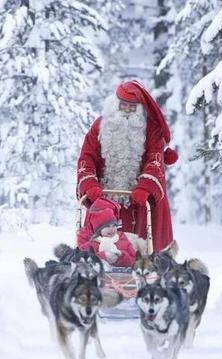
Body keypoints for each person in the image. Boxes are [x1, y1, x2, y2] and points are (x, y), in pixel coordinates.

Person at [76, 80, 178, 253]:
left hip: (140, 202)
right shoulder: (100, 126)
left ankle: (147, 270)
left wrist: (145, 187)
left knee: (144, 249)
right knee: (99, 247)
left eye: (133, 107)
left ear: (140, 108)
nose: (127, 110)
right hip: (104, 200)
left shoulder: (152, 130)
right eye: (123, 105)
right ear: (115, 104)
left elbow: (155, 161)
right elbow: (86, 158)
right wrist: (90, 185)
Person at [77, 197, 137, 267]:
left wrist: (120, 256)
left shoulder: (121, 238)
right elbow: (83, 259)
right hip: (99, 273)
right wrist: (104, 256)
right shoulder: (92, 244)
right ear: (99, 229)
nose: (112, 229)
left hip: (124, 273)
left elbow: (133, 259)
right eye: (107, 226)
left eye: (114, 225)